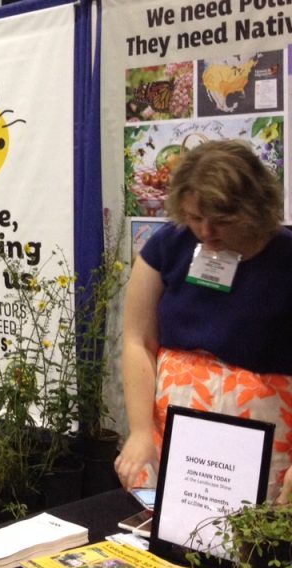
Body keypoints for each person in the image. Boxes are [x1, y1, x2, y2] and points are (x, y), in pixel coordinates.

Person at [114, 139, 292, 503]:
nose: (206, 232)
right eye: (195, 218)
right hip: (175, 430)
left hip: (266, 434)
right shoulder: (168, 246)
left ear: (256, 208)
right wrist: (140, 431)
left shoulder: (287, 258)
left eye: (223, 221)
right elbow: (137, 340)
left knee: (251, 544)